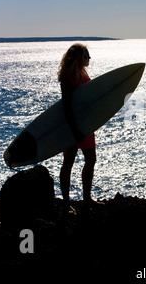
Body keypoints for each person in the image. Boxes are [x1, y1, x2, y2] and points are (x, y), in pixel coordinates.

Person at [57, 43, 99, 214]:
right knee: (68, 163)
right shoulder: (67, 77)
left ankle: (86, 199)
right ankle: (66, 204)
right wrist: (74, 129)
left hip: (85, 124)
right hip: (71, 125)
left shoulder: (82, 73)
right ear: (78, 57)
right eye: (86, 55)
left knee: (91, 159)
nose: (89, 58)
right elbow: (67, 106)